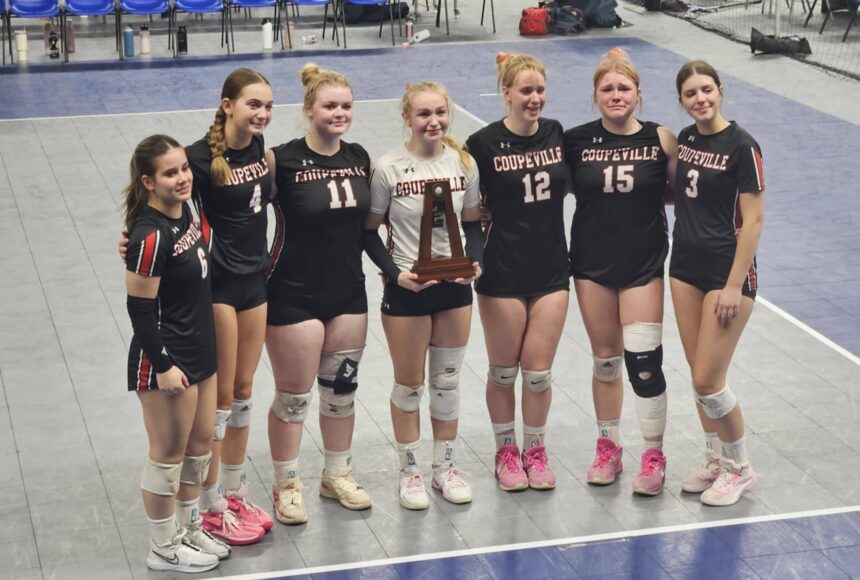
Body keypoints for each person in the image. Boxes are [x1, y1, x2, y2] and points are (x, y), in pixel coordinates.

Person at [563, 48, 678, 495]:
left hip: (643, 263)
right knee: (606, 361)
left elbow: (681, 191)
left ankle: (654, 454)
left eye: (623, 88)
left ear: (638, 93)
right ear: (595, 95)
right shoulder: (575, 141)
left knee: (645, 363)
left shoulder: (661, 138)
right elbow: (559, 188)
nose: (616, 95)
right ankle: (608, 447)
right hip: (591, 263)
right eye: (607, 88)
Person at [363, 81, 483, 510]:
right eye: (423, 114)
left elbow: (471, 223)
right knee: (410, 386)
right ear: (407, 118)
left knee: (447, 384)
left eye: (440, 113)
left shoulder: (463, 163)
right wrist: (396, 275)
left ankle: (445, 468)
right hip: (409, 293)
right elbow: (369, 230)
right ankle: (409, 471)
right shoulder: (387, 168)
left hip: (453, 290)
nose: (433, 121)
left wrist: (475, 261)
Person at [265, 63, 372, 525]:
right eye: (330, 105)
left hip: (348, 294)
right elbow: (234, 207)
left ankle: (336, 474)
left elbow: (371, 226)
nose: (339, 113)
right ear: (309, 109)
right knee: (293, 398)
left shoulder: (359, 157)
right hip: (293, 295)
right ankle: (287, 484)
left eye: (346, 105)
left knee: (341, 393)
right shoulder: (280, 160)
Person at [123, 134, 229, 573]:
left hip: (201, 349)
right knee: (168, 456)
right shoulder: (148, 235)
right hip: (166, 358)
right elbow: (140, 308)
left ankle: (187, 528)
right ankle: (163, 548)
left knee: (200, 449)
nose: (183, 178)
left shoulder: (184, 211)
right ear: (148, 181)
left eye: (184, 168)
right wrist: (163, 366)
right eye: (170, 173)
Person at [464, 53, 570, 492]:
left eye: (540, 90)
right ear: (506, 92)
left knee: (539, 371)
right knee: (504, 370)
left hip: (551, 267)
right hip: (502, 268)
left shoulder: (557, 133)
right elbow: (463, 204)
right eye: (526, 90)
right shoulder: (481, 143)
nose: (535, 99)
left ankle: (536, 450)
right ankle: (506, 451)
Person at [185, 68, 274, 544]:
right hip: (217, 287)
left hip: (253, 283)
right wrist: (132, 240)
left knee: (243, 390)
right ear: (227, 106)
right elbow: (162, 207)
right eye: (252, 105)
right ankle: (208, 501)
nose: (261, 114)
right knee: (218, 399)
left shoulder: (258, 149)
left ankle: (234, 490)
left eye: (267, 106)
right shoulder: (197, 159)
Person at [671, 60, 764, 506]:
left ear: (721, 90)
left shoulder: (743, 146)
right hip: (684, 266)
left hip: (726, 273)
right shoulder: (686, 139)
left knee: (710, 380)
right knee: (698, 377)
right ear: (682, 101)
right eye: (691, 94)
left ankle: (740, 467)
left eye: (706, 90)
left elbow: (754, 220)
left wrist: (732, 286)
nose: (700, 99)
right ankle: (715, 458)